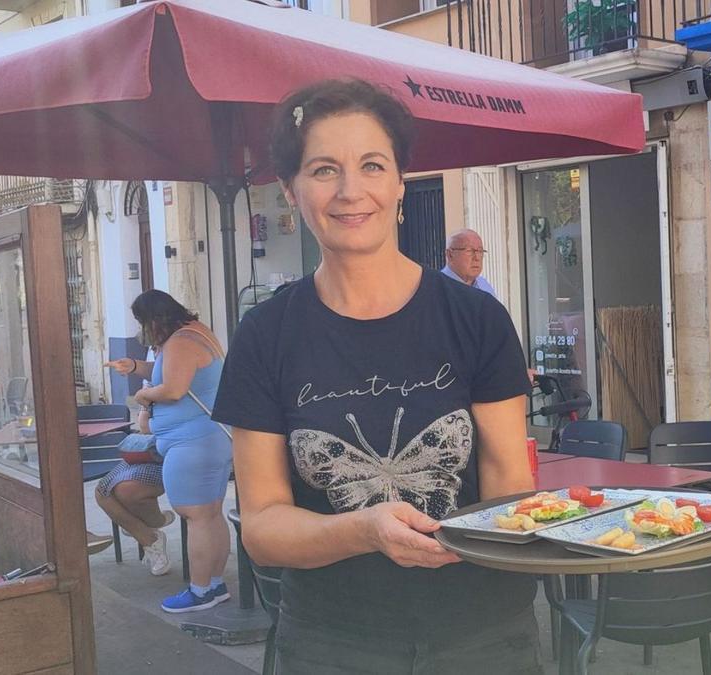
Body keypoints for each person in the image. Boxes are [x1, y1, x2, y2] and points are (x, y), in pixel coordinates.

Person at [211, 79, 541, 674]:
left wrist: (562, 536)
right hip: (333, 642)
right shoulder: (265, 334)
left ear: (399, 184)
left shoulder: (477, 318)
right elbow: (261, 526)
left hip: (483, 635)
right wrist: (365, 530)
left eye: (371, 165)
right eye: (322, 169)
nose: (349, 191)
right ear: (290, 191)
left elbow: (509, 489)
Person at [107, 290, 233, 613]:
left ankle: (201, 590)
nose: (143, 330)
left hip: (191, 445)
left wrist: (144, 397)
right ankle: (215, 585)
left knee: (196, 519)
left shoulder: (180, 341)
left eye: (143, 322)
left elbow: (175, 388)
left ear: (155, 318)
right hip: (207, 441)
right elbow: (177, 374)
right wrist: (137, 366)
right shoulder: (194, 333)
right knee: (210, 516)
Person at [92, 403, 176, 576]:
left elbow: (148, 424)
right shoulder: (151, 382)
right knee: (103, 491)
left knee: (128, 491)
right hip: (148, 450)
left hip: (176, 450)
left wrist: (149, 400)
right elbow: (144, 425)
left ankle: (147, 522)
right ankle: (150, 537)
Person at [441, 228, 497, 298]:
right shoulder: (437, 288)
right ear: (450, 255)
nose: (477, 258)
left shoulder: (485, 286)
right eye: (469, 251)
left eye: (480, 251)